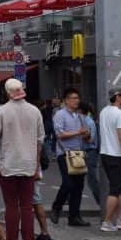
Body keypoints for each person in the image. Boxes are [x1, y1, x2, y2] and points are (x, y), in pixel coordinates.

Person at [0, 78, 45, 240]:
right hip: (29, 165)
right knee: (27, 207)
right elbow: (40, 140)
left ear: (7, 92)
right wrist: (36, 163)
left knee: (11, 206)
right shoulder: (35, 111)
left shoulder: (2, 112)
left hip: (9, 165)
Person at [50, 87, 91, 228]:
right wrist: (78, 132)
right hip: (65, 153)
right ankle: (56, 207)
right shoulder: (60, 115)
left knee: (78, 187)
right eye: (73, 98)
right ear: (66, 100)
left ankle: (74, 216)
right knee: (68, 183)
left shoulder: (79, 116)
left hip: (78, 154)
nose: (76, 101)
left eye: (77, 98)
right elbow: (59, 134)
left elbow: (85, 135)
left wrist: (86, 134)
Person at [98, 88, 121, 231]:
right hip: (115, 154)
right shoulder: (119, 113)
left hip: (105, 153)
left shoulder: (104, 111)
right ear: (117, 97)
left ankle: (120, 218)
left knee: (117, 187)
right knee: (115, 189)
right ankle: (107, 222)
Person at [79, 102, 104, 211]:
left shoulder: (89, 122)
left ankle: (101, 202)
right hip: (81, 152)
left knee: (91, 179)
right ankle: (70, 199)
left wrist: (80, 135)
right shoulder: (82, 121)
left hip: (90, 152)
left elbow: (91, 139)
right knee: (76, 177)